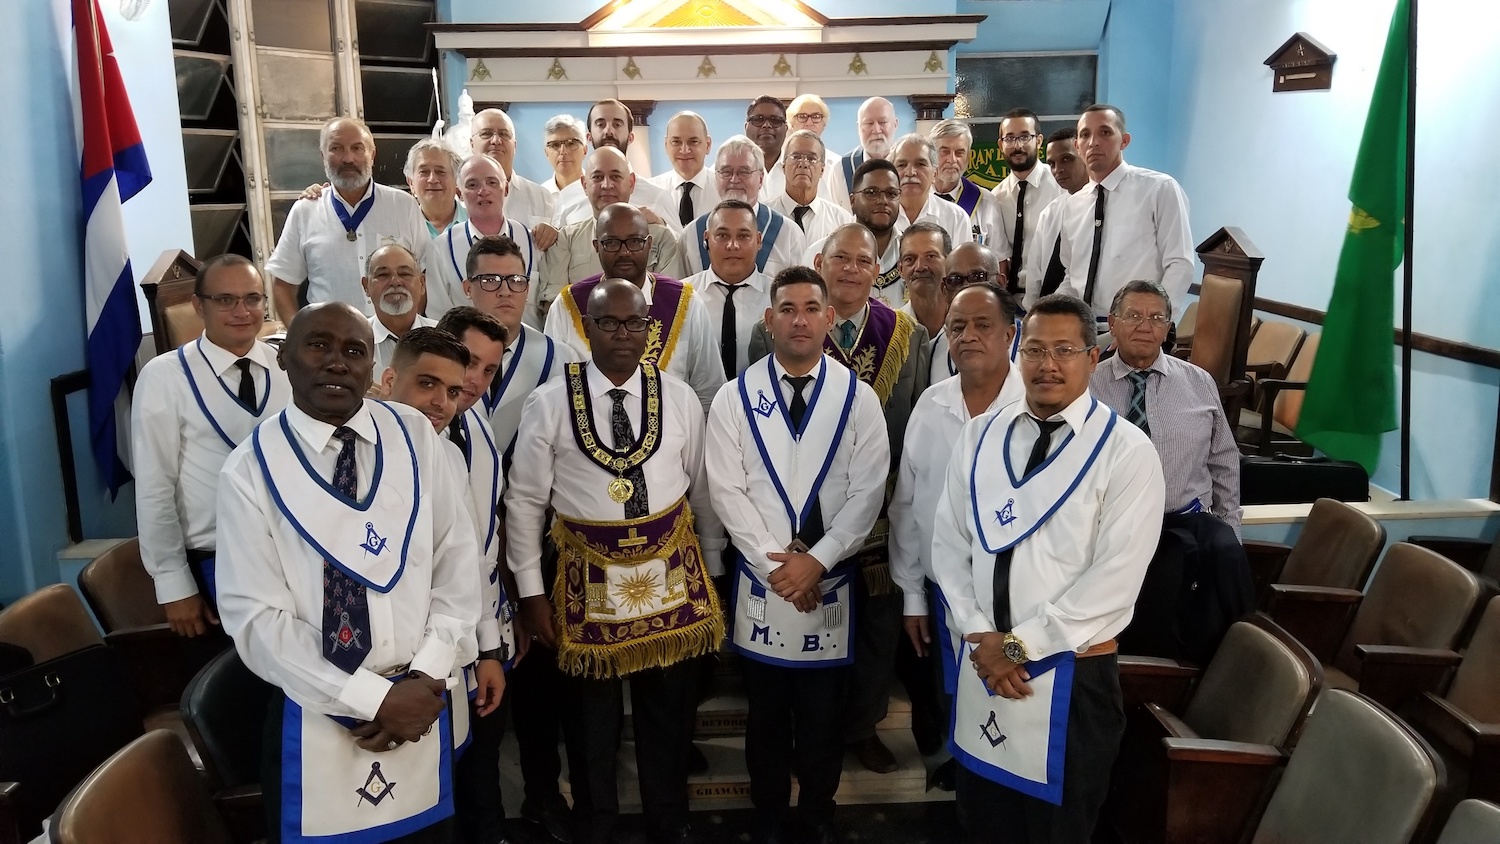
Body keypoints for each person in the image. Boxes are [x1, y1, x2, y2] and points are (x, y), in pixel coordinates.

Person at [216, 302, 481, 844]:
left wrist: (427, 675)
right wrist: (375, 699)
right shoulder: (250, 470)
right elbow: (258, 621)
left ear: (372, 365)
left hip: (422, 703)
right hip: (319, 711)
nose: (337, 362)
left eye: (354, 351)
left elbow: (456, 562)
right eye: (318, 346)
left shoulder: (414, 436)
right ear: (284, 358)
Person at [930, 293, 1164, 844]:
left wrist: (1013, 648)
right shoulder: (980, 435)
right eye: (1034, 349)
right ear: (1017, 351)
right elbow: (949, 543)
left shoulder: (1127, 453)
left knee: (1056, 832)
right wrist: (978, 631)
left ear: (1093, 355)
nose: (1047, 364)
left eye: (1064, 349)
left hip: (1070, 677)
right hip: (983, 665)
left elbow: (1113, 584)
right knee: (981, 821)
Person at [506, 278, 725, 844]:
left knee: (668, 714)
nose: (623, 334)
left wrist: (716, 566)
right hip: (585, 578)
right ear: (588, 328)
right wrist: (531, 593)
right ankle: (595, 824)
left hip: (671, 575)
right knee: (589, 721)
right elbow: (526, 502)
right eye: (609, 323)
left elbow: (701, 489)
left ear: (651, 329)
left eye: (635, 323)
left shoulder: (677, 397)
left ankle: (669, 820)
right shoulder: (550, 401)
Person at [705, 266, 890, 844]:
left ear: (829, 318)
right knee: (764, 712)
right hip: (764, 579)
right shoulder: (735, 398)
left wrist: (820, 560)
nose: (800, 319)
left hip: (831, 578)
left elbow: (869, 490)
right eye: (787, 308)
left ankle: (817, 815)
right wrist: (777, 567)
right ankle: (766, 817)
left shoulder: (858, 398)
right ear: (770, 319)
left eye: (812, 307)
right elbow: (726, 491)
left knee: (822, 716)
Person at [752, 223, 930, 775]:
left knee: (876, 625)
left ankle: (861, 725)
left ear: (879, 271)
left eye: (863, 259)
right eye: (840, 258)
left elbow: (917, 416)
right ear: (820, 261)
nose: (851, 268)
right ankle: (794, 734)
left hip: (876, 509)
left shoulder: (906, 332)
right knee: (799, 617)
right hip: (793, 513)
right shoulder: (786, 326)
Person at [460, 235, 580, 843]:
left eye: (514, 281)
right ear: (467, 286)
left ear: (529, 288)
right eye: (489, 280)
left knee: (540, 683)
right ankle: (470, 807)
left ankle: (542, 793)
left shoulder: (557, 356)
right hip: (460, 549)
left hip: (534, 539)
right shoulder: (443, 351)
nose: (502, 292)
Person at [889, 280, 1024, 791]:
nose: (967, 336)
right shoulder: (931, 403)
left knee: (1005, 691)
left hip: (1011, 596)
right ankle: (961, 770)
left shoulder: (1034, 408)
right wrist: (911, 595)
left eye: (982, 326)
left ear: (1011, 334)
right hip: (940, 586)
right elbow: (906, 503)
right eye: (957, 327)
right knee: (951, 690)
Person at [1090, 281, 1250, 661]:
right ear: (1112, 323)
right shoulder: (1087, 383)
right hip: (1113, 522)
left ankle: (1235, 669)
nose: (1145, 326)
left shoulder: (1198, 382)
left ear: (1168, 327)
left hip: (1184, 518)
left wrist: (1230, 524)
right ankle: (1143, 680)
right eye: (1133, 316)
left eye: (1156, 318)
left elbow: (1224, 460)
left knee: (1229, 556)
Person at [133, 255, 290, 641]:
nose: (242, 311)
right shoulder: (165, 377)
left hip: (290, 554)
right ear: (198, 305)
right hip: (214, 560)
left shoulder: (285, 366)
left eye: (252, 298)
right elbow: (154, 487)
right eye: (225, 300)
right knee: (239, 687)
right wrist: (174, 583)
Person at [426, 308, 519, 844]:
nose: (478, 383)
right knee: (443, 775)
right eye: (470, 365)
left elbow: (484, 542)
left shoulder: (477, 423)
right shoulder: (409, 435)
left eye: (490, 371)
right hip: (433, 640)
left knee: (482, 761)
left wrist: (493, 642)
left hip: (484, 626)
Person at [547, 203, 725, 411]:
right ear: (596, 246)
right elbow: (554, 387)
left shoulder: (686, 303)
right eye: (612, 243)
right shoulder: (568, 305)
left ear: (650, 244)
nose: (624, 252)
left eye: (635, 242)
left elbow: (707, 391)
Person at [267, 117, 430, 319]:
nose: (348, 158)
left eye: (357, 148)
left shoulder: (403, 206)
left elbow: (424, 277)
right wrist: (299, 339)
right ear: (322, 156)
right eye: (336, 148)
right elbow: (283, 284)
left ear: (372, 154)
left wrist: (409, 333)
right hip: (330, 342)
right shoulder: (305, 211)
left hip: (395, 341)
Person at [1056, 104, 1194, 322]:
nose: (1094, 142)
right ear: (1077, 146)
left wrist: (1156, 322)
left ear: (1124, 140)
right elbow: (1073, 276)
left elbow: (1180, 264)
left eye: (1105, 132)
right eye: (1085, 135)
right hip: (1085, 328)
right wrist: (1052, 312)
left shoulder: (1158, 189)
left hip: (1138, 326)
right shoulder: (1072, 205)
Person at [539, 146, 686, 315]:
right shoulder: (565, 239)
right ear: (584, 185)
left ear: (631, 183)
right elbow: (555, 309)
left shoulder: (660, 238)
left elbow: (671, 303)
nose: (607, 185)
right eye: (597, 177)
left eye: (615, 176)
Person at [427, 153, 542, 324]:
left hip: (529, 347)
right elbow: (437, 318)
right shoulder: (441, 248)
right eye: (472, 184)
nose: (483, 191)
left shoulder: (534, 240)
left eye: (492, 183)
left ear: (506, 189)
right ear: (459, 193)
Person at [679, 135, 808, 279]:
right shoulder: (691, 235)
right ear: (716, 177)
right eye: (726, 172)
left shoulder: (789, 233)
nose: (734, 179)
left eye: (744, 172)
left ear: (760, 179)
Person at [552, 99, 681, 233]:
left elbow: (680, 248)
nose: (609, 131)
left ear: (630, 137)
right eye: (601, 124)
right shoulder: (567, 197)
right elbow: (556, 248)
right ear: (589, 137)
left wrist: (661, 226)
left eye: (617, 124)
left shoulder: (658, 197)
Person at [683, 199, 773, 379]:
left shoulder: (778, 297)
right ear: (706, 239)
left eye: (743, 236)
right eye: (723, 236)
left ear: (758, 240)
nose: (733, 245)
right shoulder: (682, 297)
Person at [804, 160, 902, 305]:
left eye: (891, 193)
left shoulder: (911, 253)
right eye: (872, 192)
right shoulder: (821, 251)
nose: (883, 201)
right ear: (852, 200)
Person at [990, 109, 1064, 296]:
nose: (1017, 146)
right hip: (1010, 299)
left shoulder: (1060, 186)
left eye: (1025, 137)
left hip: (1053, 295)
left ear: (1038, 141)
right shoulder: (996, 196)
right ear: (1000, 144)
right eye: (1010, 138)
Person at [1023, 128, 1091, 311]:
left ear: (1084, 155)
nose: (1057, 170)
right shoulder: (1050, 213)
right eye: (1051, 163)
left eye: (1067, 159)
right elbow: (1035, 274)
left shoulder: (1106, 207)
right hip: (1048, 313)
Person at [890, 133, 973, 275]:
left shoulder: (956, 217)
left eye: (920, 164)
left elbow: (963, 274)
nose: (910, 172)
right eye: (902, 165)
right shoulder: (879, 216)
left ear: (935, 173)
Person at [471, 107, 556, 234]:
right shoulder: (461, 200)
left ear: (514, 146)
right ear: (472, 144)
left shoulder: (542, 198)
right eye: (486, 133)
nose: (496, 140)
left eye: (504, 134)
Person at [768, 129, 854, 249]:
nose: (803, 164)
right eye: (796, 157)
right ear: (783, 166)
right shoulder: (765, 217)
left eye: (812, 158)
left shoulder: (842, 221)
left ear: (822, 170)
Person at [895, 223, 955, 386]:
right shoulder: (891, 332)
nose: (920, 267)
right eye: (910, 259)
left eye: (930, 256)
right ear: (900, 269)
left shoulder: (967, 329)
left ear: (949, 262)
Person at [930, 119, 1005, 250]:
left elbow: (999, 259)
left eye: (959, 153)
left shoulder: (986, 202)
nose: (952, 160)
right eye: (944, 151)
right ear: (931, 155)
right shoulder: (915, 199)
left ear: (968, 157)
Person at [364, 243, 435, 376]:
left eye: (405, 274)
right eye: (383, 275)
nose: (395, 281)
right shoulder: (355, 341)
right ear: (366, 285)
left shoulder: (445, 336)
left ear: (422, 283)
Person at [647, 111, 719, 227]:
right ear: (666, 145)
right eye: (676, 142)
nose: (684, 150)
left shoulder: (724, 190)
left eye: (693, 142)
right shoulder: (651, 191)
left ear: (708, 144)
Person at [828, 97, 900, 211]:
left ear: (895, 124)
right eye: (869, 123)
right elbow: (835, 219)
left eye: (883, 122)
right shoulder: (841, 168)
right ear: (858, 127)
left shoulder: (908, 166)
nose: (876, 130)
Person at [785, 93, 847, 204]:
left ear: (824, 123)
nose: (809, 123)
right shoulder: (781, 162)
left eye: (816, 117)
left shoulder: (838, 164)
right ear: (791, 123)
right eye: (802, 116)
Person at [405, 139, 466, 237]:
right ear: (411, 183)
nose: (432, 179)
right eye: (424, 172)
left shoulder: (477, 223)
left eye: (440, 172)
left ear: (457, 180)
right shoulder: (402, 228)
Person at [745, 96, 790, 200]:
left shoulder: (799, 170)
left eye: (775, 120)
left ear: (786, 129)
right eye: (758, 119)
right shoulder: (726, 171)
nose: (766, 125)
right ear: (746, 127)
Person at [541, 113, 588, 197]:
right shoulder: (540, 195)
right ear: (546, 152)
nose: (563, 151)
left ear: (585, 150)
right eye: (555, 145)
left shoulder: (596, 192)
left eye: (571, 144)